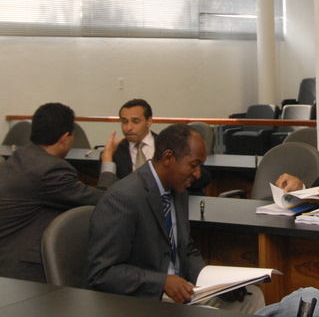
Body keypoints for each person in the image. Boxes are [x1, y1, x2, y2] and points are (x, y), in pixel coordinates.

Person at [86, 124, 264, 312]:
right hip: (142, 297)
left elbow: (185, 250)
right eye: (193, 165)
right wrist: (162, 282)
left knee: (252, 298)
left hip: (181, 290)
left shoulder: (178, 191)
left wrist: (213, 282)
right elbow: (101, 273)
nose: (198, 174)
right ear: (168, 158)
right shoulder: (122, 198)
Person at [0, 102, 122, 282]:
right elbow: (104, 200)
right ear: (65, 138)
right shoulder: (50, 170)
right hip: (25, 275)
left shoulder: (20, 156)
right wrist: (108, 159)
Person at [110, 99, 210, 193]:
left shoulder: (170, 143)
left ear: (149, 121)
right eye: (124, 122)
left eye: (135, 121)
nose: (128, 128)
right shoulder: (114, 152)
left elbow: (203, 178)